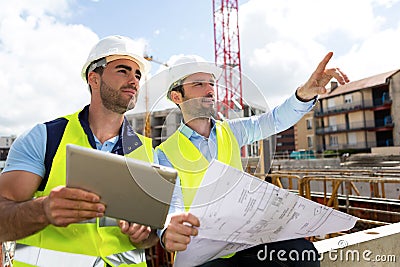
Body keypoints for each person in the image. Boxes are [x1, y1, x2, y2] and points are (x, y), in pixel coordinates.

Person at [154, 52, 349, 266]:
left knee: (302, 254)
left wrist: (304, 94)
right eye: (198, 84)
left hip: (243, 240)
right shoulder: (165, 152)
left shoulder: (232, 131)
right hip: (204, 253)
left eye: (211, 83)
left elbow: (273, 120)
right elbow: (172, 204)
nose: (210, 90)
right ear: (177, 97)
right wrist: (168, 230)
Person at [0, 35, 159, 267]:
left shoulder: (147, 151)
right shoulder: (45, 138)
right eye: (123, 71)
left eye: (137, 74)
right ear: (93, 78)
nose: (134, 80)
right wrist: (42, 210)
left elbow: (152, 236)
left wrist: (144, 235)